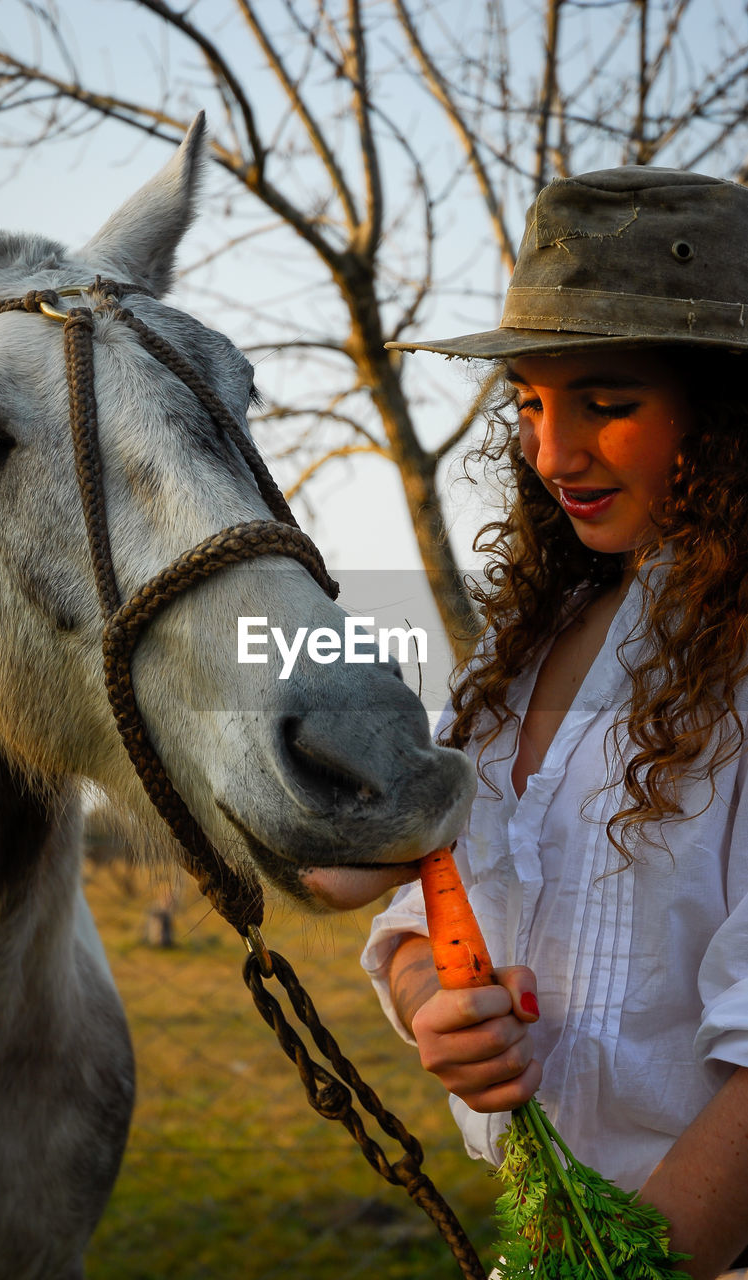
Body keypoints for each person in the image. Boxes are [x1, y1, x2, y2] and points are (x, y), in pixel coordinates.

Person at [361, 167, 748, 1280]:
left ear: (723, 411)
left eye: (605, 401)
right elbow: (410, 901)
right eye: (528, 401)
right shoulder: (515, 648)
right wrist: (436, 1003)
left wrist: (617, 1267)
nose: (550, 452)